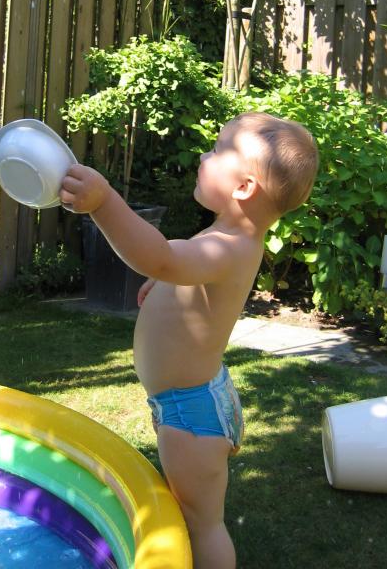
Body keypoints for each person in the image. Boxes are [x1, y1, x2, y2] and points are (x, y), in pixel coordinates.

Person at [59, 111, 319, 569]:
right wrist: (167, 287)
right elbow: (183, 271)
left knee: (202, 523)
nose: (204, 155)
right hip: (198, 399)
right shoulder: (229, 235)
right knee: (195, 516)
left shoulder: (230, 246)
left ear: (243, 188)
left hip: (190, 414)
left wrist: (103, 203)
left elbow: (158, 256)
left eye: (218, 150)